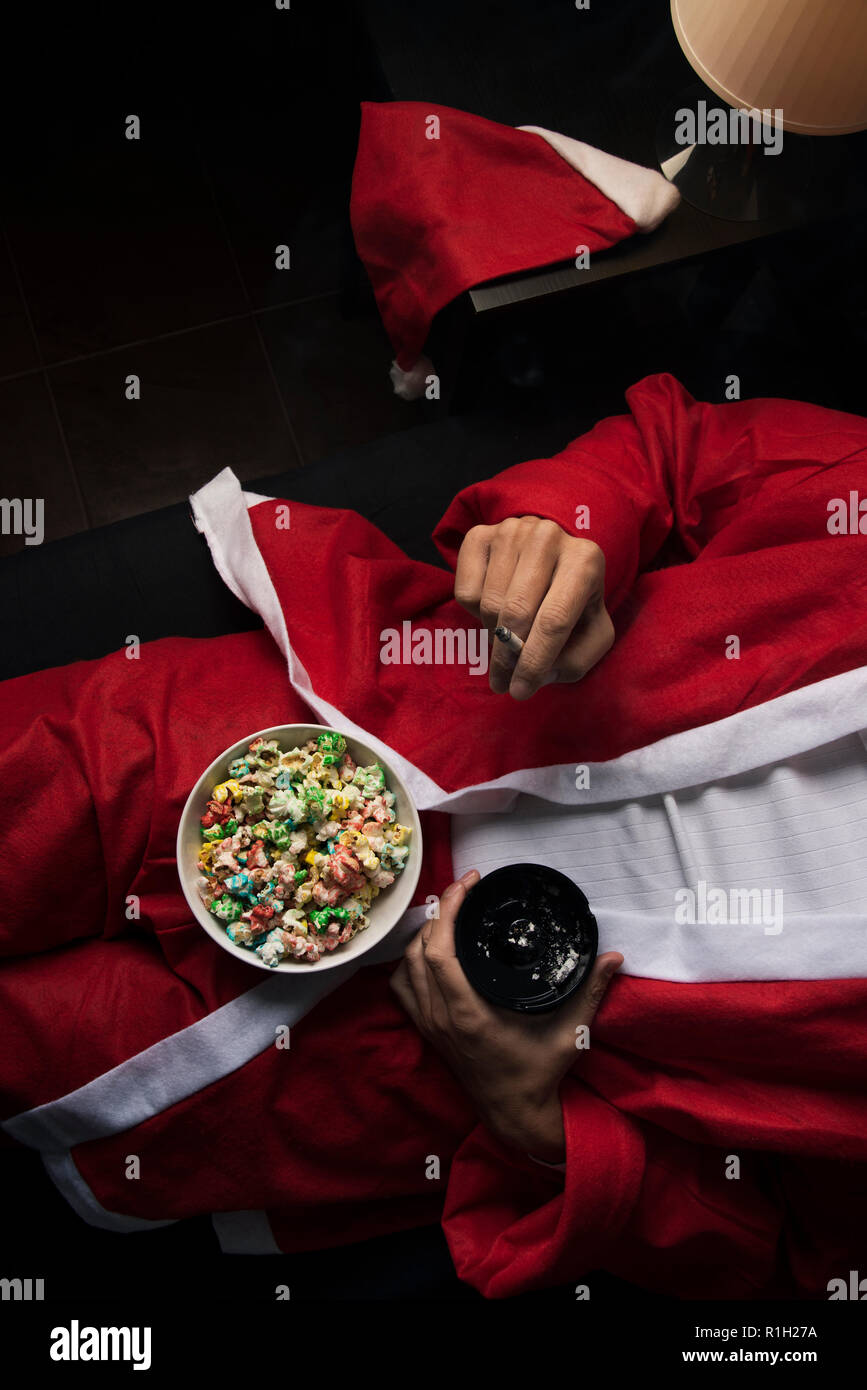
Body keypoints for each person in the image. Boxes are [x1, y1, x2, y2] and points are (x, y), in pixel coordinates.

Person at [2, 374, 866, 1300]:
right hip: (301, 739)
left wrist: (535, 1117)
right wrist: (568, 531)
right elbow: (681, 449)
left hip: (366, 1074)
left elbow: (794, 1269)